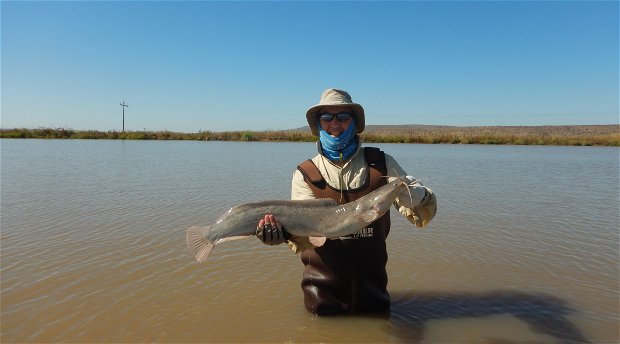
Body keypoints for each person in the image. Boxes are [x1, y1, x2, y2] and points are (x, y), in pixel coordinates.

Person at [256, 88, 437, 315]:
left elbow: (421, 215)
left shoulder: (381, 163)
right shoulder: (305, 173)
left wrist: (420, 198)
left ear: (353, 121)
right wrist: (281, 235)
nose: (335, 123)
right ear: (318, 124)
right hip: (322, 298)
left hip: (374, 295)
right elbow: (303, 240)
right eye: (326, 117)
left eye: (343, 117)